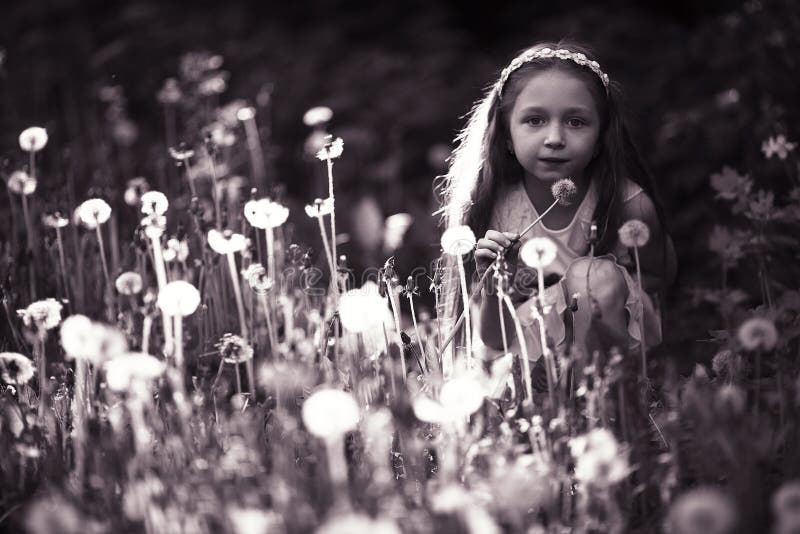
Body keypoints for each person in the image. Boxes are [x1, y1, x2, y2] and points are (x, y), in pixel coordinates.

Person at [436, 40, 677, 365]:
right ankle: (556, 399)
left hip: (610, 346)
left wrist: (599, 298)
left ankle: (607, 398)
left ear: (599, 140)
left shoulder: (628, 205)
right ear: (506, 135)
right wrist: (497, 284)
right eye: (534, 120)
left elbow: (658, 277)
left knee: (594, 278)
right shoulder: (495, 208)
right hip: (532, 359)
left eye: (576, 122)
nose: (554, 138)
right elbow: (495, 338)